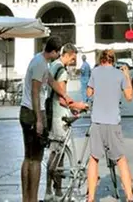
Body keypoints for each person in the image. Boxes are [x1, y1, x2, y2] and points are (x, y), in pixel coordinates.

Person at [20, 37, 75, 202]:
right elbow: (35, 93)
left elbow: (51, 81)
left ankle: (27, 198)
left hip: (28, 111)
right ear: (55, 52)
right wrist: (38, 120)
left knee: (28, 157)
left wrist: (67, 97)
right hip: (32, 112)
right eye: (58, 53)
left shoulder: (41, 62)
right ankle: (31, 199)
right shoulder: (39, 64)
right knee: (35, 159)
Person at [86, 49, 133, 202]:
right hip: (113, 122)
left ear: (101, 60)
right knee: (121, 159)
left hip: (97, 121)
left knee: (93, 159)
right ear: (114, 61)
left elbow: (89, 93)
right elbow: (129, 97)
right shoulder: (119, 74)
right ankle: (129, 196)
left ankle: (91, 198)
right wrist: (126, 75)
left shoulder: (95, 72)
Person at [46, 44, 89, 200]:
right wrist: (79, 105)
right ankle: (57, 192)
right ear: (69, 54)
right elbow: (63, 99)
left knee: (55, 153)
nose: (74, 61)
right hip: (60, 116)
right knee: (60, 156)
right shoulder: (62, 71)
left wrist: (72, 107)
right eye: (73, 58)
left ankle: (49, 191)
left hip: (52, 114)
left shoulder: (53, 66)